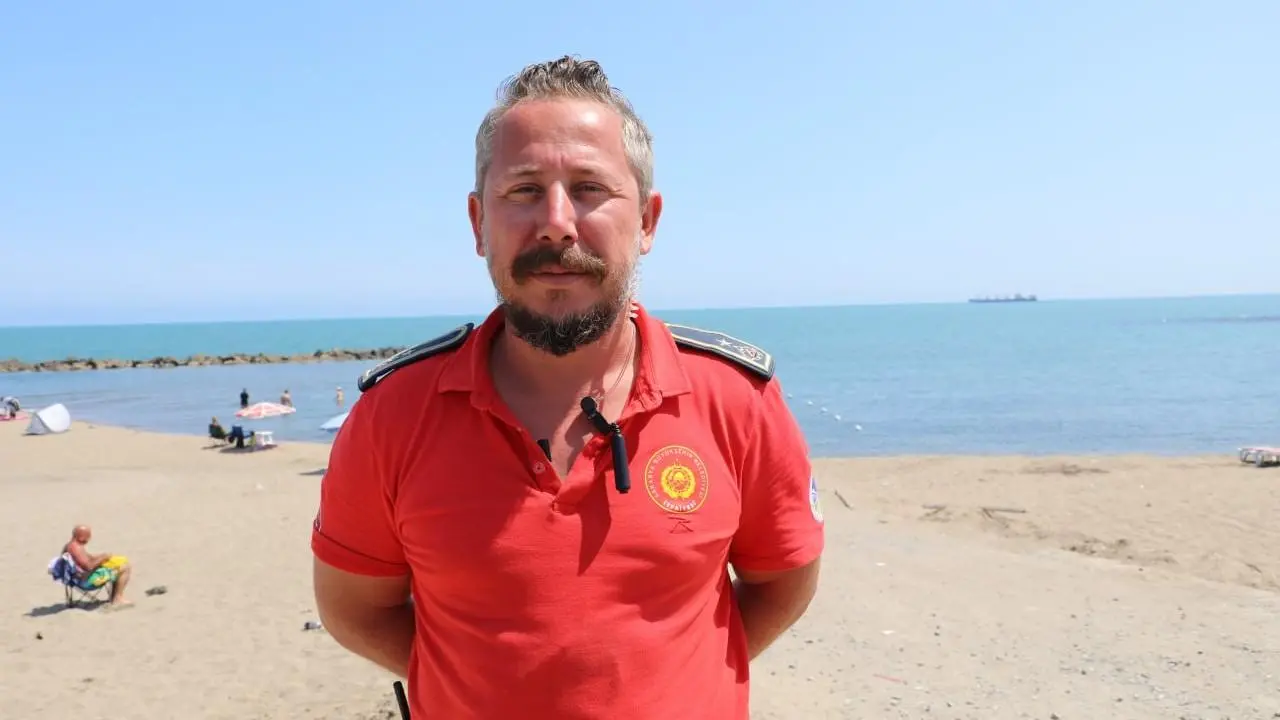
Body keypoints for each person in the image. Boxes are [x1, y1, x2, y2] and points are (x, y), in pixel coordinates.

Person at [311, 56, 823, 719]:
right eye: (523, 190)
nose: (556, 222)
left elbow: (782, 582)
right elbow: (355, 608)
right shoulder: (393, 415)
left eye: (589, 189)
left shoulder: (735, 400)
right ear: (477, 223)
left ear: (647, 222)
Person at [64, 525, 133, 609]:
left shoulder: (71, 545)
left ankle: (114, 597)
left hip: (78, 579)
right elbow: (89, 566)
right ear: (81, 537)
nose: (89, 539)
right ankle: (117, 599)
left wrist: (101, 556)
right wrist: (103, 557)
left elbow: (88, 559)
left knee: (117, 563)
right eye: (88, 536)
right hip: (87, 582)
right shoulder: (76, 548)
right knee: (124, 568)